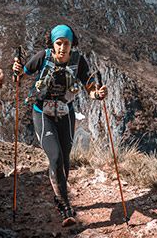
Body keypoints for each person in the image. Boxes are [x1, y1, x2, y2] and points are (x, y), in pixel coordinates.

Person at [13, 24, 107, 227]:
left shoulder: (78, 61)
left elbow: (89, 86)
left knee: (65, 161)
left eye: (67, 43)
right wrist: (17, 70)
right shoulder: (42, 57)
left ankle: (58, 195)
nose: (63, 47)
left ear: (72, 44)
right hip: (43, 113)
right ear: (53, 44)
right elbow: (22, 75)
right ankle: (66, 207)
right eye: (59, 43)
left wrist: (97, 94)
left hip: (66, 113)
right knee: (55, 157)